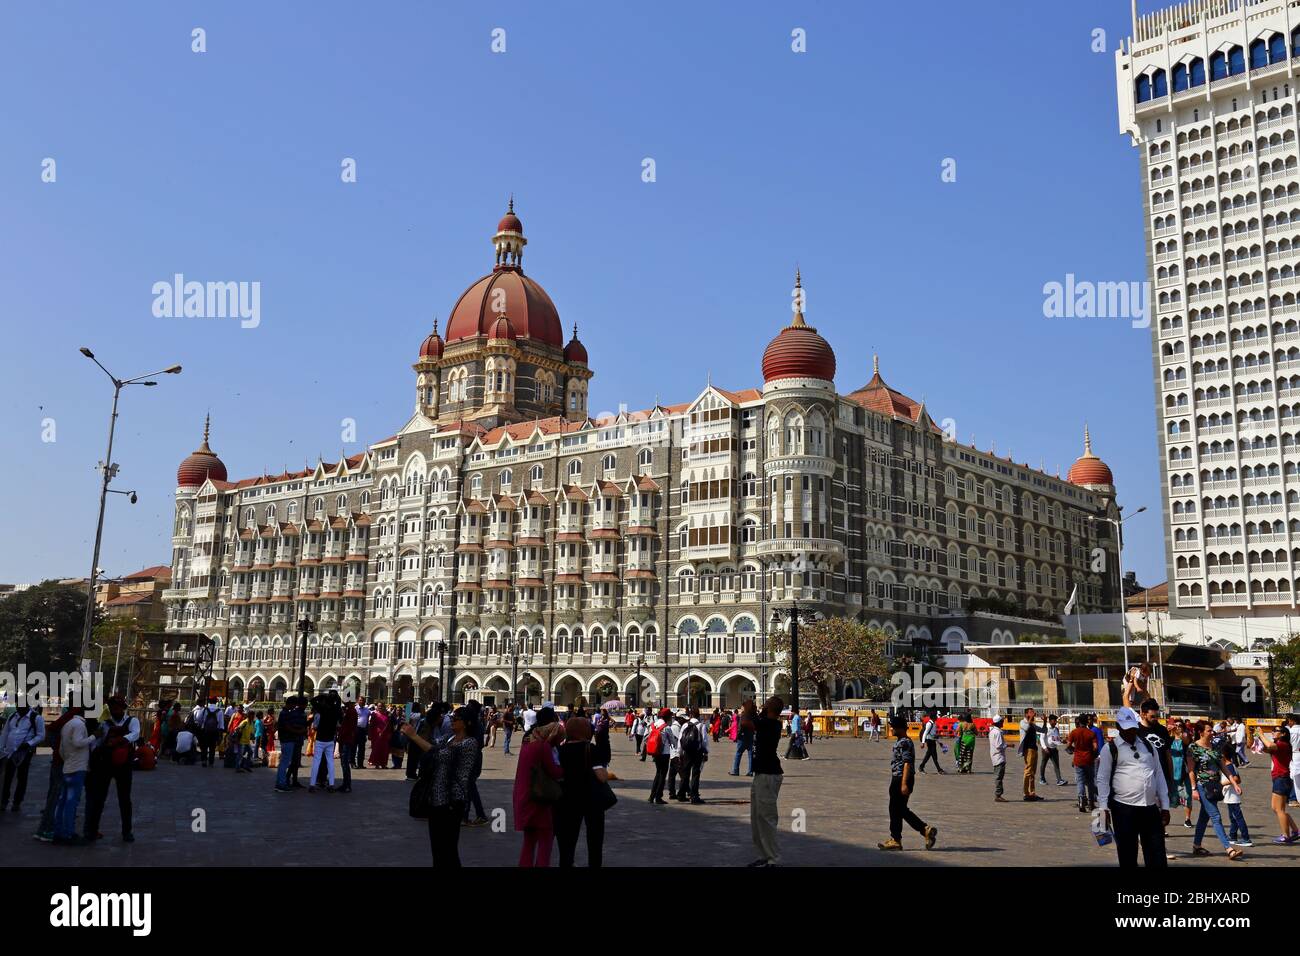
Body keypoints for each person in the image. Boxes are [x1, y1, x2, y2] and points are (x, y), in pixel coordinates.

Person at [1095, 706, 1170, 868]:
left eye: (1133, 729)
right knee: (1128, 854)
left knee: (1157, 854)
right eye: (1127, 729)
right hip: (1124, 809)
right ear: (1118, 727)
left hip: (1149, 808)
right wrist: (1103, 808)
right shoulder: (1110, 749)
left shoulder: (1148, 746)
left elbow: (1158, 775)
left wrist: (1165, 806)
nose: (1131, 733)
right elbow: (1102, 779)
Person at [404, 706, 477, 866]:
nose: (452, 720)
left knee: (449, 849)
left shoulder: (469, 743)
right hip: (436, 799)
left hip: (452, 800)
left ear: (466, 723)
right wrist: (421, 726)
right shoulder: (449, 738)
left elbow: (439, 753)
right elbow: (430, 744)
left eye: (456, 719)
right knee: (437, 849)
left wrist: (414, 736)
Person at [555, 716, 615, 867]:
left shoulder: (560, 750)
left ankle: (566, 864)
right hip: (592, 800)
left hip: (567, 800)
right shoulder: (591, 749)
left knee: (567, 840)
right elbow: (603, 767)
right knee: (595, 840)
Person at [878, 715, 938, 851]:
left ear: (900, 728)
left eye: (893, 726)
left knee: (895, 809)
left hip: (901, 778)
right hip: (899, 778)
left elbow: (906, 764)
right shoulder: (902, 741)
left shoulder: (904, 742)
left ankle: (896, 839)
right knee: (900, 809)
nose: (891, 729)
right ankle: (924, 830)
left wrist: (904, 783)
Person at [1188, 719, 1245, 860]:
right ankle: (1229, 848)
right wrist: (1194, 789)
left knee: (1204, 817)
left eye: (1212, 730)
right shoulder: (1193, 748)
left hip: (1215, 786)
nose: (1212, 733)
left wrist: (1234, 783)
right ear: (1200, 733)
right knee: (1216, 816)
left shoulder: (1214, 747)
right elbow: (1190, 771)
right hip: (1202, 786)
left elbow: (1223, 767)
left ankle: (1196, 845)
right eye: (1209, 730)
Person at [514, 718, 564, 867]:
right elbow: (554, 772)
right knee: (545, 839)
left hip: (523, 796)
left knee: (529, 841)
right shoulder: (543, 746)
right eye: (558, 739)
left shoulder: (528, 742)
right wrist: (564, 769)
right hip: (537, 800)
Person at [748, 696, 784, 867]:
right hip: (761, 774)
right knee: (756, 817)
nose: (763, 706)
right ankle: (763, 854)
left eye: (766, 704)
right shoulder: (765, 722)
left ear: (770, 709)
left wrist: (748, 710)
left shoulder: (771, 724)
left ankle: (773, 858)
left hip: (769, 775)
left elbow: (745, 723)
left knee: (766, 818)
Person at [53, 706, 91, 845]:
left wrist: (68, 760)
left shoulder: (68, 724)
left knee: (62, 801)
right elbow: (77, 742)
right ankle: (68, 833)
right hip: (77, 767)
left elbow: (61, 749)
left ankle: (59, 832)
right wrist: (93, 737)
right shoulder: (80, 725)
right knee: (71, 803)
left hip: (68, 766)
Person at [1257, 723, 1300, 844]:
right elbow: (1267, 748)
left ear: (1283, 734)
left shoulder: (1282, 744)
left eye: (1276, 730)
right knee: (1277, 808)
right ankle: (1296, 831)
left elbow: (1270, 745)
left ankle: (1286, 835)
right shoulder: (1280, 745)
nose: (1273, 732)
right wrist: (1259, 738)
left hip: (1281, 778)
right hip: (1280, 778)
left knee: (1279, 809)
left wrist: (1261, 734)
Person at [0, 701, 45, 813]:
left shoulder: (36, 718)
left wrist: (29, 743)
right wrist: (1, 748)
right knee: (7, 778)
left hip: (24, 753)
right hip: (9, 752)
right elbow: (5, 733)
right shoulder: (12, 716)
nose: (18, 708)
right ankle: (4, 801)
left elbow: (41, 735)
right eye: (17, 705)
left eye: (21, 706)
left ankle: (17, 802)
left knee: (22, 777)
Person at [274, 696, 308, 793]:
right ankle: (281, 784)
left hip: (286, 739)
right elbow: (288, 727)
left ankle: (280, 782)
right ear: (291, 704)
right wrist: (299, 731)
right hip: (287, 740)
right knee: (284, 763)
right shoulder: (285, 713)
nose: (295, 707)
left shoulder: (285, 713)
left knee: (284, 763)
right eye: (294, 704)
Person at [309, 691, 341, 792]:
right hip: (330, 739)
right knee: (330, 762)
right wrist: (336, 698)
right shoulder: (336, 709)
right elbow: (339, 704)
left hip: (320, 738)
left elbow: (312, 700)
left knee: (316, 762)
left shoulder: (322, 708)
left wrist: (322, 695)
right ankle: (331, 785)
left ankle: (312, 785)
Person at [1066, 714, 1099, 813]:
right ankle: (1091, 803)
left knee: (1080, 781)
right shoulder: (1091, 733)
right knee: (1090, 782)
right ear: (1087, 722)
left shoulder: (1074, 732)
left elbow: (1068, 746)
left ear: (1079, 722)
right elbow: (1095, 747)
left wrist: (1074, 750)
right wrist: (1093, 754)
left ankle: (1081, 802)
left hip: (1078, 760)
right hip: (1089, 760)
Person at [677, 706, 708, 804]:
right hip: (697, 752)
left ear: (690, 715)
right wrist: (706, 752)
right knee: (695, 774)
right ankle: (694, 796)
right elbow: (704, 741)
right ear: (698, 715)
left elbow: (680, 740)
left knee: (685, 773)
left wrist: (680, 753)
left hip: (686, 752)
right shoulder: (701, 726)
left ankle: (681, 794)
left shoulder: (685, 725)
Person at [1168, 718, 1193, 829]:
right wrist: (1168, 731)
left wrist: (1181, 733)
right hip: (1171, 770)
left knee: (1187, 795)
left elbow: (1186, 740)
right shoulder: (1170, 739)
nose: (1177, 727)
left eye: (1180, 725)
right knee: (1167, 796)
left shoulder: (1185, 737)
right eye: (1176, 725)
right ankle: (1164, 824)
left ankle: (1187, 819)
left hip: (1183, 770)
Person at [646, 708, 673, 805]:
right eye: (670, 716)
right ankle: (658, 797)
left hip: (655, 752)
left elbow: (646, 738)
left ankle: (651, 796)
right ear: (667, 717)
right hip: (665, 753)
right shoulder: (667, 727)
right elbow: (673, 742)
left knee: (658, 773)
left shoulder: (653, 725)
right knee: (662, 775)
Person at [1018, 708, 1041, 801]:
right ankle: (1026, 793)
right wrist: (1031, 719)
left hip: (1034, 748)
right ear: (1026, 714)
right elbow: (1026, 728)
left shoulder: (1032, 723)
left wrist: (1045, 721)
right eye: (1031, 712)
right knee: (1028, 770)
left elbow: (1043, 730)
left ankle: (1032, 793)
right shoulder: (1022, 722)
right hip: (1028, 749)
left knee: (1033, 772)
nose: (1033, 713)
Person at [730, 698, 756, 776]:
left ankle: (735, 770)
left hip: (743, 736)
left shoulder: (744, 714)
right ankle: (750, 771)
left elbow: (742, 725)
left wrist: (738, 734)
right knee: (750, 754)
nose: (741, 707)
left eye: (742, 706)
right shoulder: (753, 714)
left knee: (738, 753)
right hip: (750, 735)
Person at [337, 700, 357, 793]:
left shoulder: (351, 711)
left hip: (346, 739)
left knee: (344, 762)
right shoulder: (350, 710)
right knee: (344, 762)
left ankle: (347, 784)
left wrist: (340, 730)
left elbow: (347, 727)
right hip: (346, 739)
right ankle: (346, 784)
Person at [1040, 714, 1066, 786]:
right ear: (1050, 721)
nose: (1055, 722)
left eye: (1056, 721)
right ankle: (1042, 778)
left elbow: (1056, 738)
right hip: (1046, 749)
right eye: (1054, 721)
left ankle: (1059, 780)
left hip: (1054, 749)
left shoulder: (1056, 729)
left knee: (1056, 765)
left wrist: (1062, 741)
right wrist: (1045, 748)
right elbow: (1041, 739)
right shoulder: (1046, 728)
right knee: (1043, 764)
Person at [197, 697, 223, 767]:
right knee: (212, 747)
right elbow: (221, 724)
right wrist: (220, 735)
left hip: (205, 731)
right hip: (215, 732)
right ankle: (211, 762)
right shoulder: (219, 711)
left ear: (209, 701)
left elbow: (198, 718)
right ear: (216, 702)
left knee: (204, 746)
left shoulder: (205, 709)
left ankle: (204, 761)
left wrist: (202, 724)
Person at [989, 714, 1007, 802]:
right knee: (999, 777)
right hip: (999, 757)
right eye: (1002, 721)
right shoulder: (998, 732)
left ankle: (998, 794)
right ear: (999, 722)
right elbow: (999, 746)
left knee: (998, 776)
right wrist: (1008, 745)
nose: (1003, 722)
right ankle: (998, 795)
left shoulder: (992, 731)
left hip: (995, 757)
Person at [367, 704, 391, 769]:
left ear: (384, 707)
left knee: (384, 750)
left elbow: (389, 726)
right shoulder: (374, 715)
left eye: (382, 706)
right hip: (376, 735)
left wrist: (389, 734)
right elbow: (371, 725)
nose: (380, 707)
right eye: (379, 706)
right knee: (376, 749)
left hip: (385, 735)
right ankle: (376, 763)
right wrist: (370, 734)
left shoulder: (387, 715)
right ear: (377, 707)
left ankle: (383, 764)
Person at [354, 698, 369, 769]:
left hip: (363, 730)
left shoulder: (366, 709)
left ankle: (360, 764)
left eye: (363, 700)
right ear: (357, 701)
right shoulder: (355, 708)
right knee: (354, 747)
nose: (361, 701)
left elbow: (369, 716)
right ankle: (352, 762)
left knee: (362, 748)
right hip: (356, 729)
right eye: (360, 700)